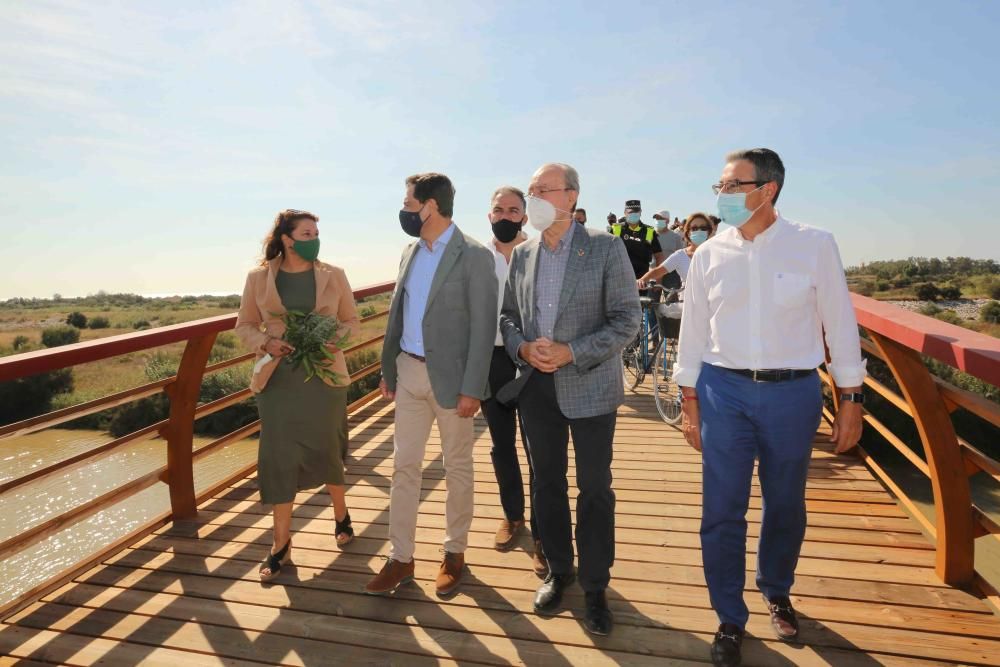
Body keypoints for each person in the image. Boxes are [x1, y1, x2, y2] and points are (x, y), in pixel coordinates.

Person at [674, 149, 865, 667]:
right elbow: (692, 332)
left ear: (769, 189)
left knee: (785, 502)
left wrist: (851, 399)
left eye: (733, 185)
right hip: (723, 392)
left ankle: (776, 589)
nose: (722, 194)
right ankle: (729, 616)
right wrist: (688, 399)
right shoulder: (710, 253)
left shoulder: (814, 245)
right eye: (720, 184)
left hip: (793, 393)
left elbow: (840, 325)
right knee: (721, 509)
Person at [498, 163, 640, 636]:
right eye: (532, 189)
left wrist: (570, 351)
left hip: (592, 386)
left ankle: (596, 586)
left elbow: (626, 321)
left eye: (543, 189)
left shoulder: (604, 246)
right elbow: (509, 316)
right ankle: (560, 571)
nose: (534, 195)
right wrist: (521, 346)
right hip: (537, 389)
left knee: (595, 489)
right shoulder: (523, 254)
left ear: (571, 196)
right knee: (547, 486)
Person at [366, 173, 497, 598]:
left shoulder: (475, 255)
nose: (403, 210)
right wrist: (390, 368)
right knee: (404, 466)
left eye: (408, 202)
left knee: (457, 466)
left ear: (431, 207)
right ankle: (401, 558)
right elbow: (397, 314)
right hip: (409, 372)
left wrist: (472, 387)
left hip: (454, 380)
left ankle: (454, 553)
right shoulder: (409, 251)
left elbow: (483, 328)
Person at [235, 209, 361, 583]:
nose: (315, 238)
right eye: (307, 232)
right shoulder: (258, 277)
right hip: (279, 381)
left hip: (324, 378)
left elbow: (351, 322)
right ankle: (280, 545)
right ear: (287, 238)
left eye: (317, 232)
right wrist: (267, 342)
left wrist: (330, 340)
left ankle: (341, 515)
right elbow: (243, 325)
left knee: (326, 447)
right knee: (280, 457)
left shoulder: (333, 275)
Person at [483, 185, 546, 576]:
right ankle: (513, 515)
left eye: (513, 210)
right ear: (489, 215)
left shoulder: (540, 252)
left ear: (524, 215)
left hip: (533, 359)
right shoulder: (476, 258)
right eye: (498, 210)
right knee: (501, 444)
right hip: (492, 359)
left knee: (539, 448)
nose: (506, 216)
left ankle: (543, 533)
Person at [636, 212, 716, 290]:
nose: (699, 231)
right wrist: (642, 280)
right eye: (694, 228)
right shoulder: (650, 233)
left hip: (672, 275)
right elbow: (657, 269)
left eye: (703, 228)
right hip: (686, 299)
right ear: (688, 232)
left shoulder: (718, 253)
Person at [609, 200, 665, 281]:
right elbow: (607, 253)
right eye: (630, 212)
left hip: (642, 280)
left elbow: (659, 256)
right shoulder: (616, 229)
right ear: (625, 213)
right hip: (619, 278)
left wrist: (658, 278)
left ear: (640, 212)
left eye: (636, 212)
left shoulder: (649, 231)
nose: (633, 214)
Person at [652, 209, 685, 289]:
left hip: (671, 274)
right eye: (657, 219)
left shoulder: (675, 237)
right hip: (653, 272)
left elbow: (680, 256)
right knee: (651, 300)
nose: (658, 221)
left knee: (672, 300)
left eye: (661, 219)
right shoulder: (649, 235)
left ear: (667, 221)